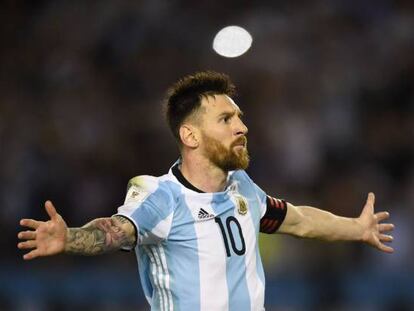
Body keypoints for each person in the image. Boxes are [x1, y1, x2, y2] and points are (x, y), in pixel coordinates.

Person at [18, 71, 394, 311]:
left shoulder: (241, 187)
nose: (242, 127)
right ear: (190, 135)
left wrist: (356, 229)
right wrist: (71, 238)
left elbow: (295, 219)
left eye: (240, 117)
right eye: (226, 119)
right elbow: (116, 230)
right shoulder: (160, 196)